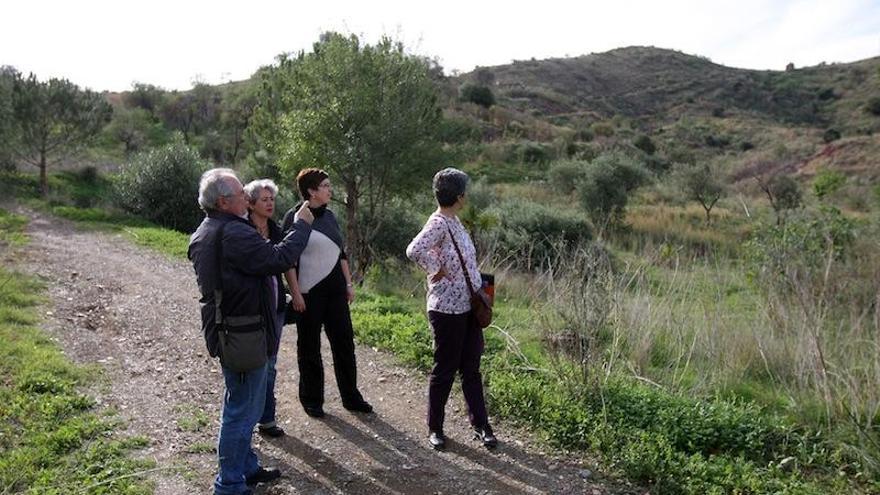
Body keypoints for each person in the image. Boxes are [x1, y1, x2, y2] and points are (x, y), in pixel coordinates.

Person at [189, 168, 313, 495]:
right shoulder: (232, 233)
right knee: (241, 411)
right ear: (223, 201)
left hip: (237, 330)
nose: (247, 197)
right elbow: (279, 257)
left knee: (245, 405)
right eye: (241, 194)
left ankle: (245, 468)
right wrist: (301, 225)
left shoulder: (211, 229)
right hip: (242, 333)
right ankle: (229, 484)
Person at [405, 167, 498, 451]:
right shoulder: (438, 223)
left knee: (471, 368)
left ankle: (481, 426)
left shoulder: (455, 222)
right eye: (465, 192)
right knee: (444, 369)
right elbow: (414, 250)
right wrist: (436, 269)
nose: (466, 196)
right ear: (459, 196)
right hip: (446, 309)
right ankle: (435, 428)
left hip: (468, 306)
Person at [281, 168, 372, 418]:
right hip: (309, 294)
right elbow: (288, 259)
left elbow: (339, 252)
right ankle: (312, 400)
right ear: (311, 191)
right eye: (325, 186)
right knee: (309, 347)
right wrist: (296, 293)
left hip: (335, 293)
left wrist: (348, 284)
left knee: (344, 344)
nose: (330, 190)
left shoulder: (331, 216)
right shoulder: (295, 217)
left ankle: (351, 396)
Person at [243, 179, 287, 438]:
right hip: (251, 306)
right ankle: (246, 421)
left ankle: (267, 419)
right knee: (252, 364)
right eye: (264, 199)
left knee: (270, 363)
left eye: (272, 199)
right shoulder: (242, 229)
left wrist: (296, 292)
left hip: (276, 304)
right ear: (250, 203)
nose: (270, 203)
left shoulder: (276, 229)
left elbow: (287, 263)